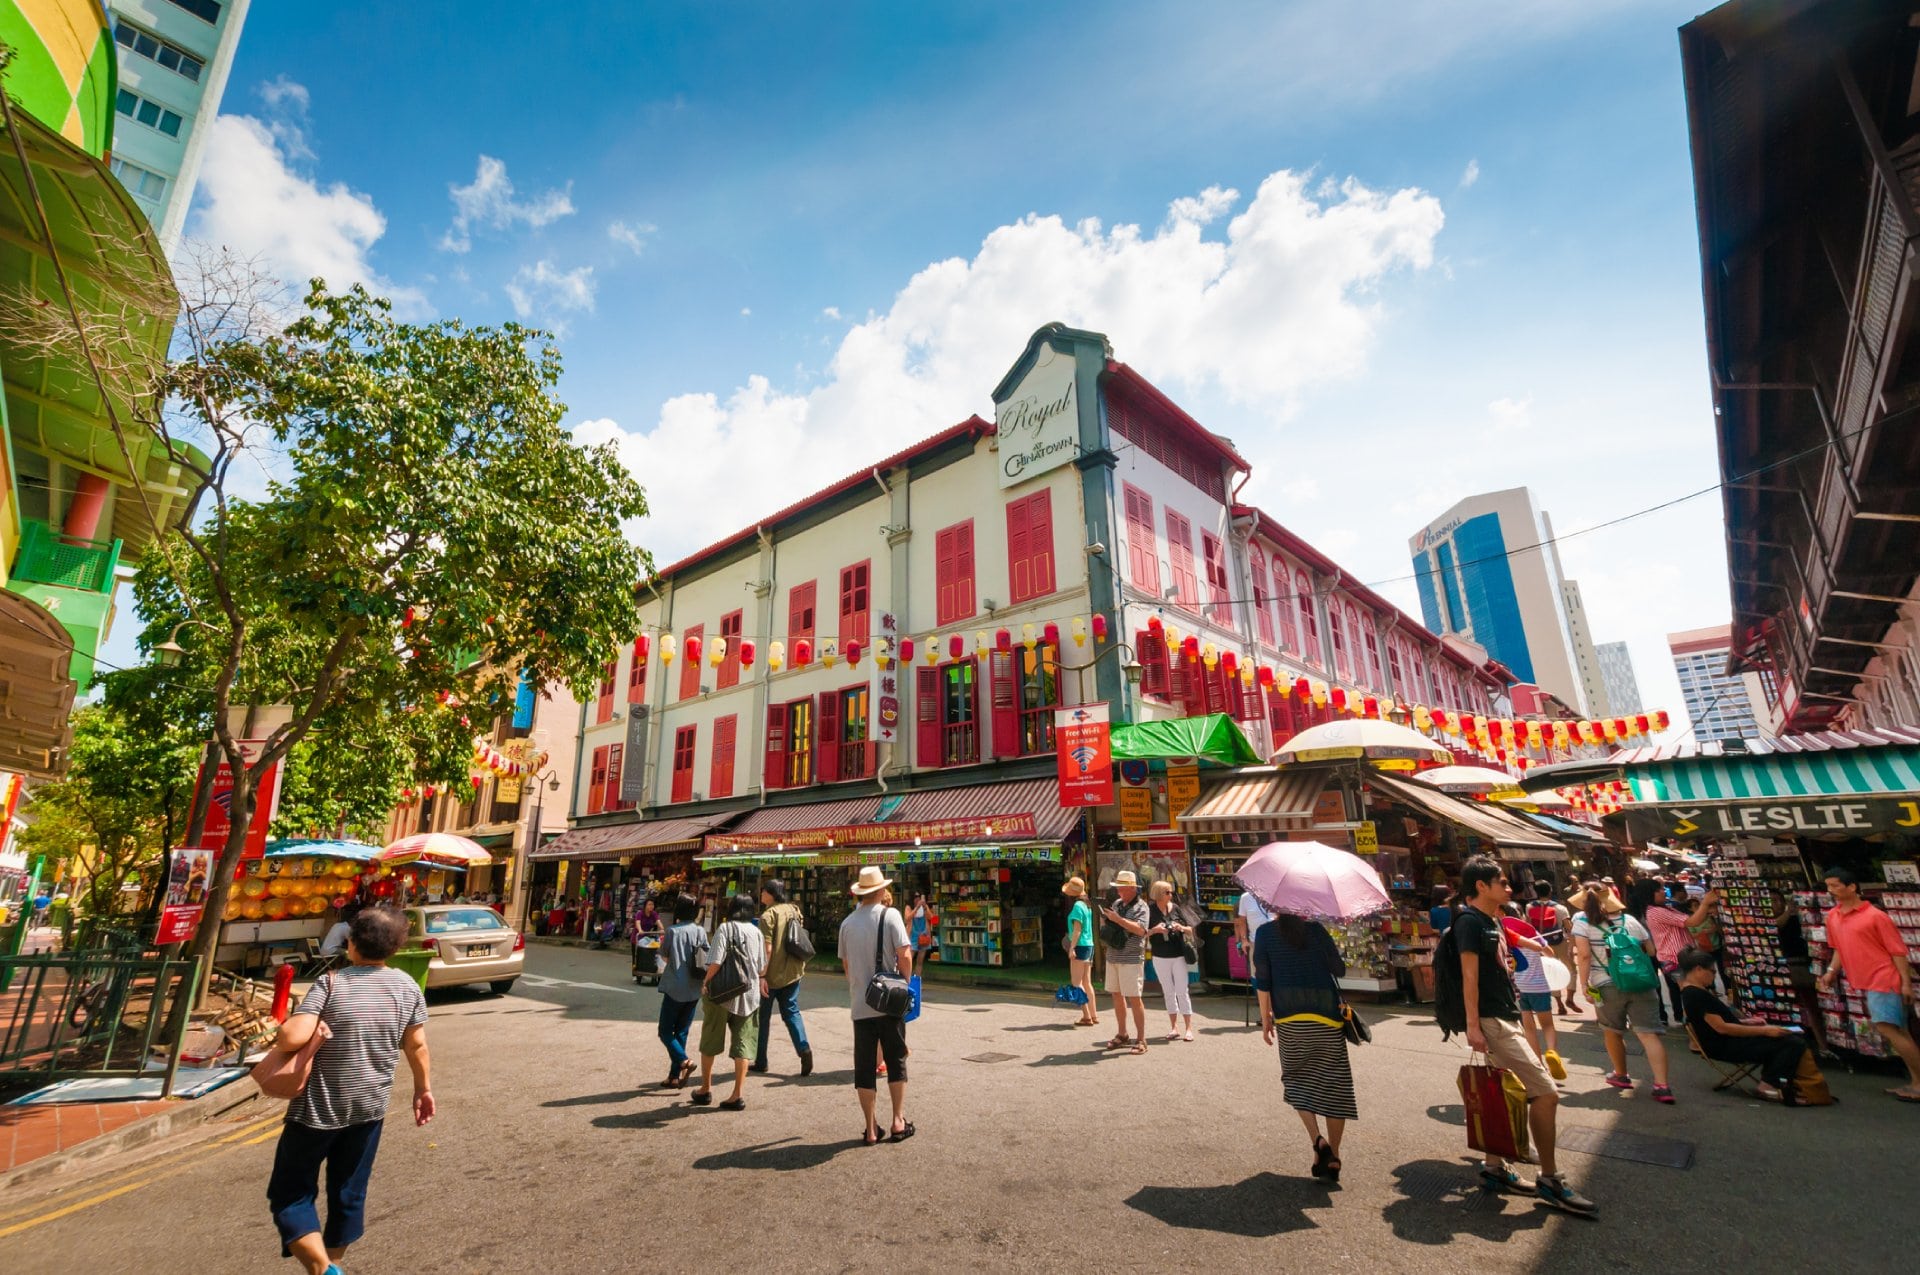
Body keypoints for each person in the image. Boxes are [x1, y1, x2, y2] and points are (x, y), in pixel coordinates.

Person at [264, 906, 432, 1275]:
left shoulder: (331, 983)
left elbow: (291, 1036)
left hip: (317, 1112)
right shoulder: (407, 986)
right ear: (396, 947)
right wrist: (423, 1090)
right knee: (349, 1193)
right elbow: (416, 1045)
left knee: (290, 1194)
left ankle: (324, 1270)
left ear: (351, 943)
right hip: (368, 1110)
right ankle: (332, 1266)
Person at [1453, 855, 1595, 1216]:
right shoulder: (1469, 923)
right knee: (1545, 1093)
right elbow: (1469, 976)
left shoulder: (1492, 920)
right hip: (1492, 1021)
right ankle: (1550, 1178)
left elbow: (1508, 937)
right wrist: (1472, 1025)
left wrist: (1533, 945)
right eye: (1501, 882)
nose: (1510, 886)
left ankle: (1495, 1168)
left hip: (1506, 1014)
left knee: (1502, 1094)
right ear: (1481, 887)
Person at [1254, 910, 1356, 1183]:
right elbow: (1339, 969)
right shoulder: (1316, 930)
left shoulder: (1265, 933)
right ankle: (1333, 1153)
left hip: (1289, 1019)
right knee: (1335, 1085)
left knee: (1297, 1080)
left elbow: (1262, 981)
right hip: (1326, 1017)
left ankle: (1317, 1142)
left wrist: (1265, 1019)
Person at [1819, 866, 1920, 1102]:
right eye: (1828, 886)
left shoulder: (1876, 916)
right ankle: (1915, 1082)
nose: (1831, 890)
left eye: (1835, 885)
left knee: (1888, 1028)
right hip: (1866, 980)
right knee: (1899, 1031)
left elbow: (1897, 952)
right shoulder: (1833, 916)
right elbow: (1839, 948)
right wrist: (1831, 972)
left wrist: (1905, 983)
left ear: (1852, 887)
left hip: (1883, 978)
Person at [1677, 948, 1829, 1105]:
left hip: (1727, 1040)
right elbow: (1721, 1027)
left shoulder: (1696, 991)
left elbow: (1717, 1023)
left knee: (1788, 1039)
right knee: (1791, 1043)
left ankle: (1775, 1082)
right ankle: (1769, 1085)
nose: (1714, 976)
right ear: (1698, 969)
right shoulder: (1695, 994)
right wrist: (1764, 1031)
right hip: (1725, 1045)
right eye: (1712, 972)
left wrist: (1747, 1023)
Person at [1572, 882, 1674, 1103]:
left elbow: (1584, 955)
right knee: (1649, 1034)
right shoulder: (1630, 920)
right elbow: (1651, 950)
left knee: (1612, 1031)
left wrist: (1583, 985)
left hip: (1606, 983)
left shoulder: (1581, 921)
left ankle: (1621, 1074)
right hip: (1641, 983)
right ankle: (1662, 1086)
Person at [840, 866, 914, 1144]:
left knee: (864, 1066)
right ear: (880, 890)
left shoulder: (847, 923)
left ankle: (870, 1129)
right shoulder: (890, 915)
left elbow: (846, 966)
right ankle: (897, 1120)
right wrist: (905, 986)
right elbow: (904, 956)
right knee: (895, 1060)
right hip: (890, 1004)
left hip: (860, 1005)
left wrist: (860, 986)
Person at [691, 894, 765, 1111]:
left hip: (721, 994)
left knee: (710, 1040)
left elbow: (715, 961)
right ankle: (737, 1094)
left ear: (731, 908)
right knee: (743, 1044)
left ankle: (705, 1089)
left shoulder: (725, 929)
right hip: (749, 995)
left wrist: (706, 981)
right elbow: (762, 968)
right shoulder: (757, 932)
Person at [753, 879, 813, 1077]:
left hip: (771, 976)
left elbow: (767, 949)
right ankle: (803, 1048)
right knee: (792, 1012)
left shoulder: (767, 916)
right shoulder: (793, 909)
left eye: (764, 891)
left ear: (771, 893)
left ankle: (761, 1060)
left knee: (763, 1019)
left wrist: (762, 975)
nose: (761, 894)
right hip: (794, 970)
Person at [1500, 904, 1564, 1079]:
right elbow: (1550, 954)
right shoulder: (1534, 935)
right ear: (1522, 916)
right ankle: (1551, 1052)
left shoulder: (1506, 938)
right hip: (1540, 987)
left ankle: (1539, 1065)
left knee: (1529, 1029)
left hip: (1520, 987)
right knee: (1548, 1026)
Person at [656, 893, 706, 1088]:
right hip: (694, 987)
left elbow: (665, 956)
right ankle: (674, 1076)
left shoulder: (672, 932)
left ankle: (685, 1061)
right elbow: (705, 954)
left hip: (675, 987)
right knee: (682, 1031)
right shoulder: (700, 931)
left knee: (665, 1031)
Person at [1100, 871, 1151, 1054]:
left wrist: (1118, 920)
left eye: (1122, 887)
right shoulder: (1117, 904)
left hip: (1131, 958)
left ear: (1132, 888)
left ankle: (1142, 1039)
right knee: (1116, 994)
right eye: (1118, 887)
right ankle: (1122, 1033)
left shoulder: (1142, 907)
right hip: (1113, 955)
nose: (1119, 890)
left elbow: (1141, 930)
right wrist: (1107, 919)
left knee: (1134, 998)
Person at [1147, 879, 1197, 1042]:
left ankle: (1188, 1028)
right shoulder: (1150, 910)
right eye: (1167, 892)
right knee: (1168, 991)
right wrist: (1155, 930)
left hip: (1178, 954)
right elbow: (1142, 932)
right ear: (1158, 894)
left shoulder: (1175, 908)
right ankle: (1174, 1027)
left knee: (1182, 991)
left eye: (1171, 892)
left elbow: (1190, 929)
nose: (1171, 895)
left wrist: (1180, 928)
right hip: (1160, 955)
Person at [1525, 883, 1574, 1016]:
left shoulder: (1529, 907)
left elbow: (1529, 928)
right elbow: (1568, 928)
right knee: (1571, 969)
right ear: (1550, 890)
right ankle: (1570, 997)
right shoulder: (1560, 908)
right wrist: (1572, 943)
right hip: (1560, 942)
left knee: (1551, 973)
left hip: (1542, 944)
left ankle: (1559, 1004)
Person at [1061, 876, 1098, 1027]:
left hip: (1080, 945)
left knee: (1076, 983)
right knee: (1087, 982)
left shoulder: (1077, 906)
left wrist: (1072, 948)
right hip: (1089, 945)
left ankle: (1086, 1015)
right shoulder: (1087, 904)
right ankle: (1094, 1014)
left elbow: (1077, 930)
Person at [1236, 885, 1274, 972]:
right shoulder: (1245, 898)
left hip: (1274, 941)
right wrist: (1244, 940)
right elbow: (1241, 921)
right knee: (1257, 972)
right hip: (1255, 942)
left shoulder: (1274, 895)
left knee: (1274, 971)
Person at [906, 890, 936, 976]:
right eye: (915, 897)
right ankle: (907, 979)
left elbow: (932, 919)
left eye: (919, 897)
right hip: (913, 936)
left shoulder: (924, 906)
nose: (917, 899)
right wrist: (916, 908)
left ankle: (917, 981)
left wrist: (925, 908)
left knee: (920, 961)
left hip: (924, 936)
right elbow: (907, 919)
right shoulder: (909, 907)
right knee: (909, 959)